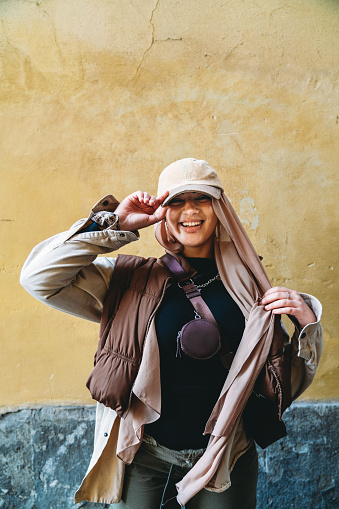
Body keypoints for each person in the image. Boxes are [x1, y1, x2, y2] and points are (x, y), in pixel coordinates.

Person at [20, 158, 323, 508]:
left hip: (226, 457)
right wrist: (115, 223)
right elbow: (38, 277)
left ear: (219, 207)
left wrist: (306, 328)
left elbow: (287, 384)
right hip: (146, 456)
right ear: (163, 211)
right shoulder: (129, 282)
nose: (189, 211)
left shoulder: (252, 290)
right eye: (176, 201)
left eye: (201, 198)